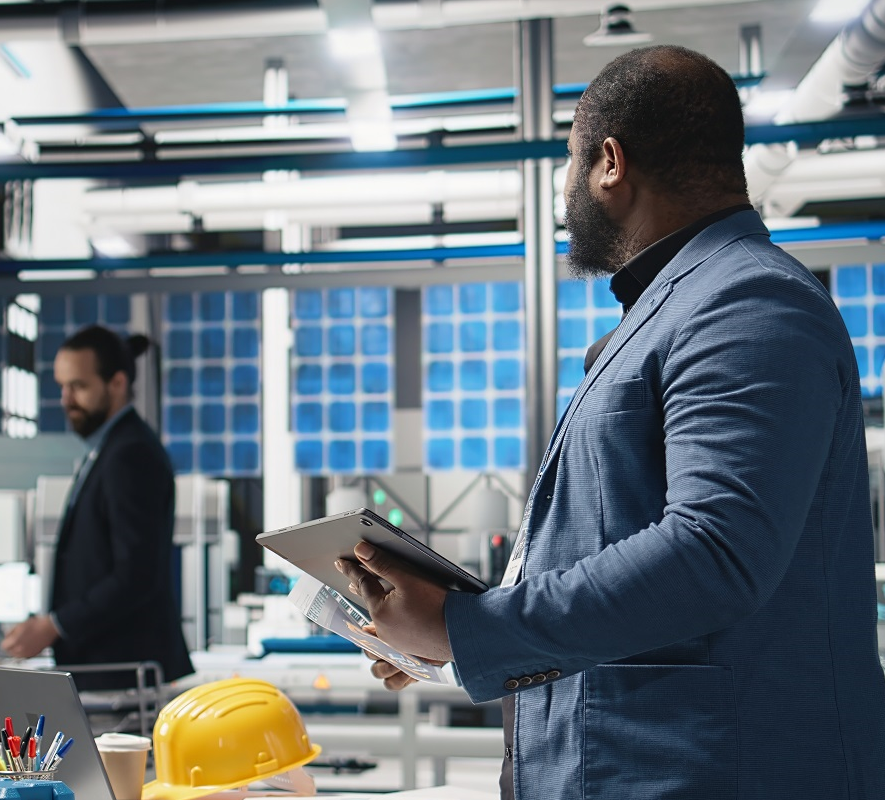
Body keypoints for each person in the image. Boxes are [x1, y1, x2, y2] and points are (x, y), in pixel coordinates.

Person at [336, 45, 885, 800]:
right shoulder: (678, 310)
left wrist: (471, 630)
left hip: (715, 773)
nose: (567, 190)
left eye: (569, 160)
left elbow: (713, 551)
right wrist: (454, 629)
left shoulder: (747, 304)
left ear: (609, 163)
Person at [2, 325, 194, 691]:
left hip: (122, 675)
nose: (65, 398)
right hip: (109, 672)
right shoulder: (109, 449)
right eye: (62, 386)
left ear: (117, 383)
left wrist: (54, 625)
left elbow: (136, 575)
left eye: (79, 386)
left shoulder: (130, 454)